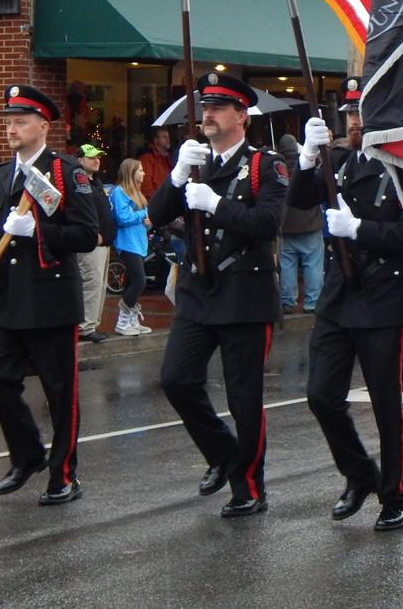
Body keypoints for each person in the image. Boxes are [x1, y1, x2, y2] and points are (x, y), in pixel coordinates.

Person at [289, 77, 403, 532]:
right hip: (338, 297)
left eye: (362, 114)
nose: (354, 122)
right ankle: (359, 473)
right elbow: (298, 201)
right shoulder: (341, 163)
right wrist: (307, 159)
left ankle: (396, 494)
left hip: (385, 300)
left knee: (387, 405)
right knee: (320, 396)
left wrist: (361, 230)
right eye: (349, 114)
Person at [149, 72, 287, 518]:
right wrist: (174, 177)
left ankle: (248, 486)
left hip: (244, 294)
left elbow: (268, 223)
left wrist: (216, 205)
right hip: (197, 291)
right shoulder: (194, 161)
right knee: (176, 378)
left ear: (241, 116)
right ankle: (224, 452)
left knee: (243, 398)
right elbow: (156, 215)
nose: (207, 114)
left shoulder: (265, 165)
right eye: (205, 106)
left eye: (218, 107)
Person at [0, 85, 98, 505]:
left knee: (60, 392)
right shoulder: (2, 175)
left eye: (20, 121)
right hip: (7, 298)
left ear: (43, 125)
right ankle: (27, 455)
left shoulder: (66, 173)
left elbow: (87, 234)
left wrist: (40, 231)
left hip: (51, 299)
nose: (11, 128)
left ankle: (64, 475)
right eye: (8, 122)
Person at [276, 134, 324, 314]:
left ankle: (288, 301)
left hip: (286, 226)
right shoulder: (307, 167)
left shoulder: (277, 170)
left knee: (287, 265)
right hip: (310, 223)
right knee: (313, 264)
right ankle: (313, 302)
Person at [75, 143, 115, 344]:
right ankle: (85, 326)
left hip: (103, 243)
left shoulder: (97, 183)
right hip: (91, 245)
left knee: (100, 284)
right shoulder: (80, 185)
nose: (96, 160)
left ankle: (92, 324)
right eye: (91, 157)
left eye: (98, 156)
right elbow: (81, 214)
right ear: (80, 160)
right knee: (91, 283)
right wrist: (92, 234)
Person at [110, 158, 152, 337]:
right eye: (140, 170)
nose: (143, 173)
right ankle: (123, 319)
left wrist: (148, 220)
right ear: (130, 172)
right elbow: (123, 218)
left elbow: (143, 220)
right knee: (139, 280)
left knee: (130, 282)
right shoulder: (120, 192)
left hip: (139, 242)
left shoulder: (138, 194)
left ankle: (130, 320)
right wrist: (144, 213)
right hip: (128, 243)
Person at [139, 126, 173, 201]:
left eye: (168, 137)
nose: (168, 140)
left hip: (167, 199)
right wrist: (156, 202)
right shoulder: (147, 158)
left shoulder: (167, 157)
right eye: (164, 137)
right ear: (156, 140)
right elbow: (145, 185)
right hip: (156, 202)